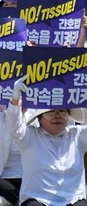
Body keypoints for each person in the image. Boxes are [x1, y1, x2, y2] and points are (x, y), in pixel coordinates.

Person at [9, 76, 87, 206]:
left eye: (62, 112)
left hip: (73, 199)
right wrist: (15, 100)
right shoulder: (30, 136)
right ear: (40, 118)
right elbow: (14, 128)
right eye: (50, 112)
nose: (57, 116)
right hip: (38, 198)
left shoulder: (78, 135)